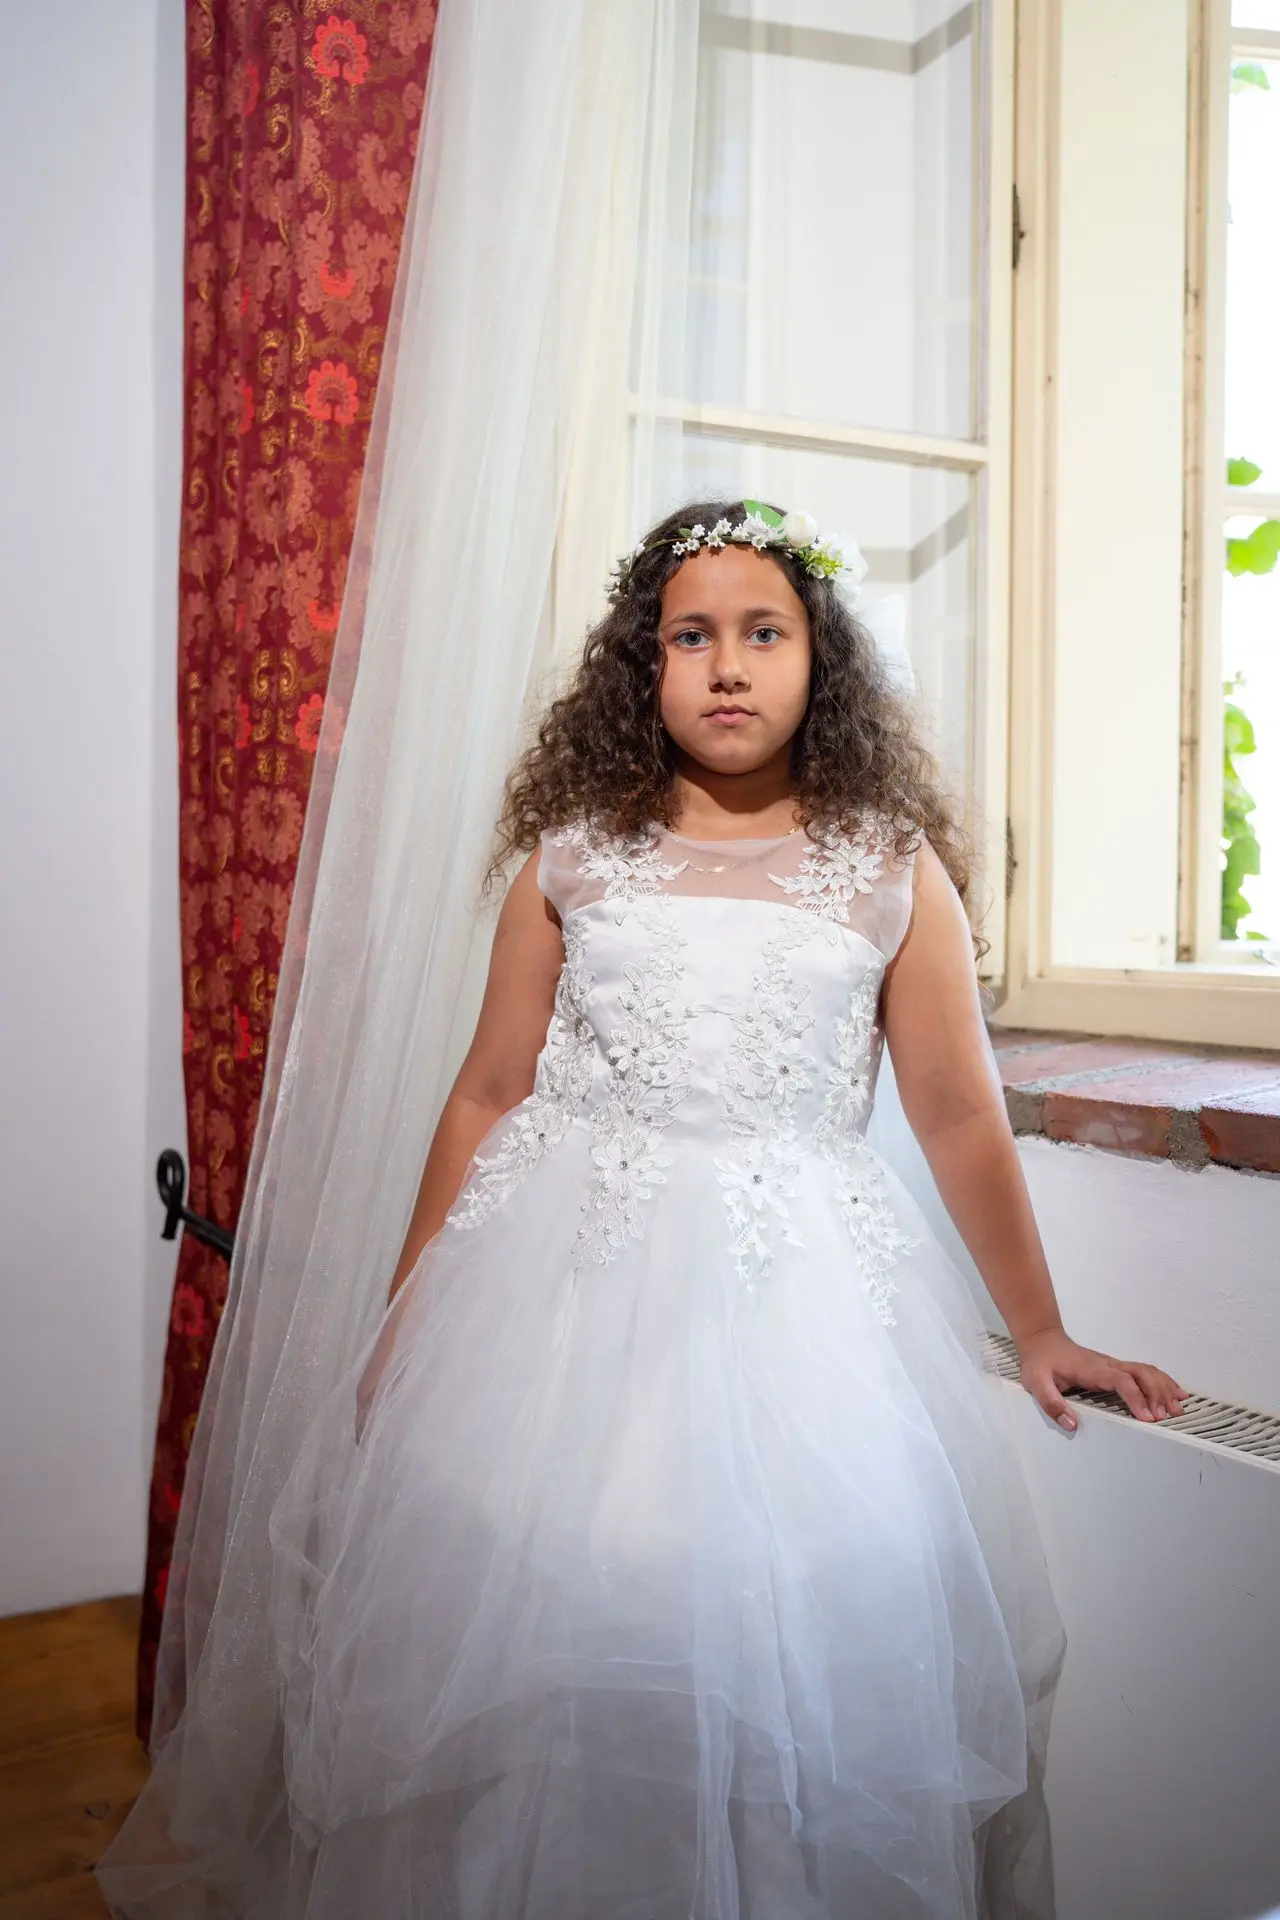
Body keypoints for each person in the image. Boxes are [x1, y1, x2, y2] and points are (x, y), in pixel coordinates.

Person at [262, 500, 1185, 1916]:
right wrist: (408, 1309)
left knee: (770, 1620)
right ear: (643, 665)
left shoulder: (888, 869)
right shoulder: (574, 857)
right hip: (560, 1295)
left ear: (823, 660)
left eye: (765, 633)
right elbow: (489, 1092)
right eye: (690, 638)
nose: (730, 666)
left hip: (789, 1310)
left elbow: (956, 1113)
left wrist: (1043, 1328)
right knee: (547, 1600)